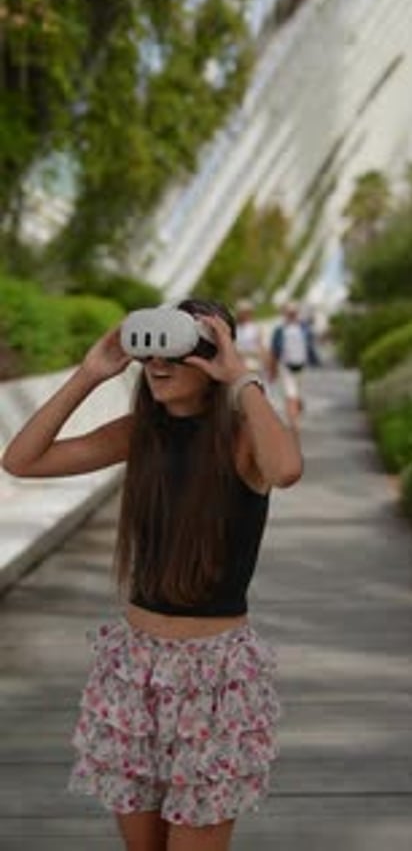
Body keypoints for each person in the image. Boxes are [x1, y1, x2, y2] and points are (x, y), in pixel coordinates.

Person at [1, 298, 303, 851]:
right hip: (133, 669)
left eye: (177, 352)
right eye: (151, 355)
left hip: (216, 680)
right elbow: (21, 461)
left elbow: (286, 468)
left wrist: (243, 379)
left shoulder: (243, 442)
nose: (158, 366)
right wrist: (91, 374)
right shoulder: (141, 432)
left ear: (212, 358)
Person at [267, 301, 312, 429]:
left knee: (296, 395)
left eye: (293, 312)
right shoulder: (280, 330)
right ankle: (293, 422)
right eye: (289, 312)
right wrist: (272, 370)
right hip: (285, 366)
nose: (291, 315)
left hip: (301, 366)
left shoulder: (304, 328)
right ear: (285, 314)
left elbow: (310, 346)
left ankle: (295, 413)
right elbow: (274, 351)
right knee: (290, 395)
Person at [234, 299, 266, 374]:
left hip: (254, 361)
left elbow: (260, 345)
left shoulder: (256, 327)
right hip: (239, 362)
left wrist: (263, 359)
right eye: (242, 312)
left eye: (247, 312)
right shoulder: (235, 329)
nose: (245, 315)